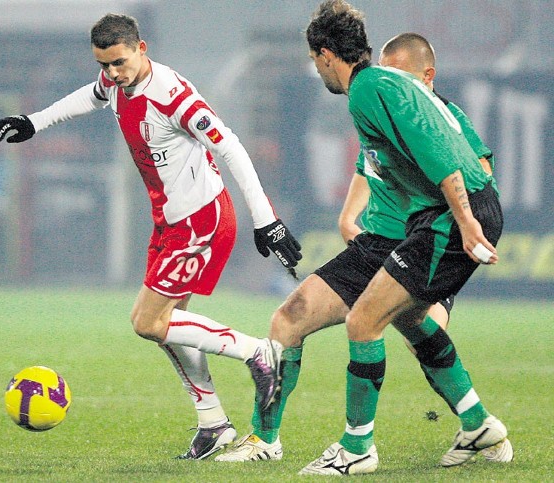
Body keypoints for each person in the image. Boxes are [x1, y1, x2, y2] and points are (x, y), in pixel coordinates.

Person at [0, 13, 302, 460]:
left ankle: (259, 353)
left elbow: (228, 144)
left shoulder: (173, 95)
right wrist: (34, 123)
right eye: (104, 64)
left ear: (142, 48)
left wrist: (265, 218)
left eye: (119, 62)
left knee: (147, 321)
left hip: (201, 218)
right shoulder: (113, 81)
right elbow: (90, 96)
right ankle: (213, 423)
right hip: (170, 219)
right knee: (169, 328)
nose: (113, 73)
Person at [215, 32, 513, 466]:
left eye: (401, 76)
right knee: (288, 319)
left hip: (427, 236)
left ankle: (386, 442)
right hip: (377, 241)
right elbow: (368, 162)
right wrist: (347, 217)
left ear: (425, 77)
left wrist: (465, 221)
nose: (391, 82)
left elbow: (473, 167)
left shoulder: (439, 112)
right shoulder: (374, 104)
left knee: (402, 328)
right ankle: (264, 439)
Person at [292, 1, 509, 475]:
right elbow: (441, 135)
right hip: (446, 214)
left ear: (327, 54)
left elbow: (433, 149)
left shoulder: (366, 90)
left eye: (315, 60)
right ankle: (477, 425)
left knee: (363, 320)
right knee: (409, 318)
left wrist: (467, 220)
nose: (318, 69)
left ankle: (357, 449)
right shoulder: (390, 83)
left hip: (452, 216)